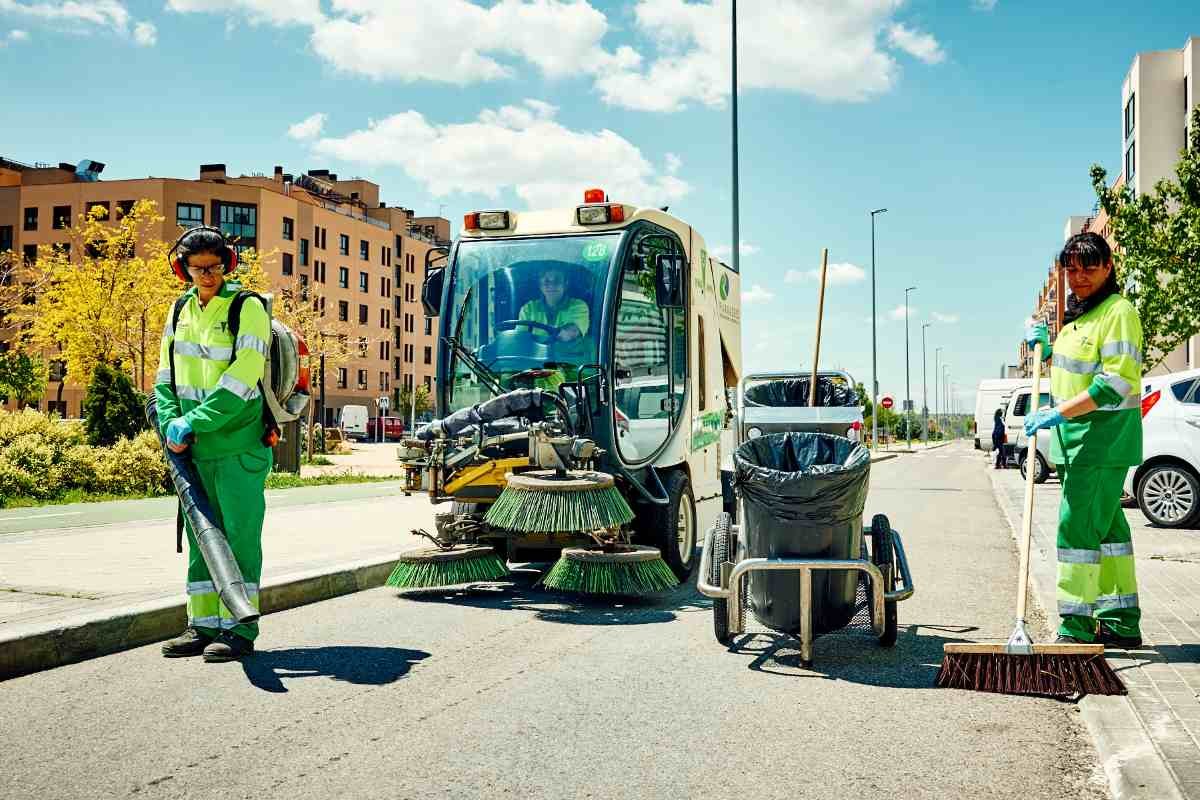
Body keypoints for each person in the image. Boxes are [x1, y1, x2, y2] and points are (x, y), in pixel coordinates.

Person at [155, 226, 272, 663]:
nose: (206, 274)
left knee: (239, 538)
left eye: (214, 265)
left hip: (238, 445)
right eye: (197, 267)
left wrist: (194, 420)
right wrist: (171, 422)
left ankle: (241, 629)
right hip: (193, 447)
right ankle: (202, 624)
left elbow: (243, 376)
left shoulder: (247, 308)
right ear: (181, 267)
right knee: (201, 537)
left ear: (228, 264)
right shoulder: (179, 309)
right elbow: (165, 377)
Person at [1024, 231, 1143, 648]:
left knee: (1076, 533)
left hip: (1100, 441)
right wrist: (1049, 349)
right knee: (1109, 535)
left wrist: (1057, 412)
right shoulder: (1080, 318)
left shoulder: (1118, 311)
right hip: (1077, 442)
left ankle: (1075, 627)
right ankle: (1120, 620)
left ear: (1108, 266)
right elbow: (1078, 370)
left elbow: (1118, 382)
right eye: (1071, 269)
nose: (1078, 277)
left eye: (1088, 267)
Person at [518, 265, 589, 344]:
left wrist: (565, 333)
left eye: (557, 281)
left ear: (565, 284)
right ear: (540, 286)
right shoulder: (528, 308)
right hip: (534, 355)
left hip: (569, 354)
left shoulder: (578, 306)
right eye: (546, 281)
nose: (551, 285)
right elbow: (519, 338)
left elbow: (573, 331)